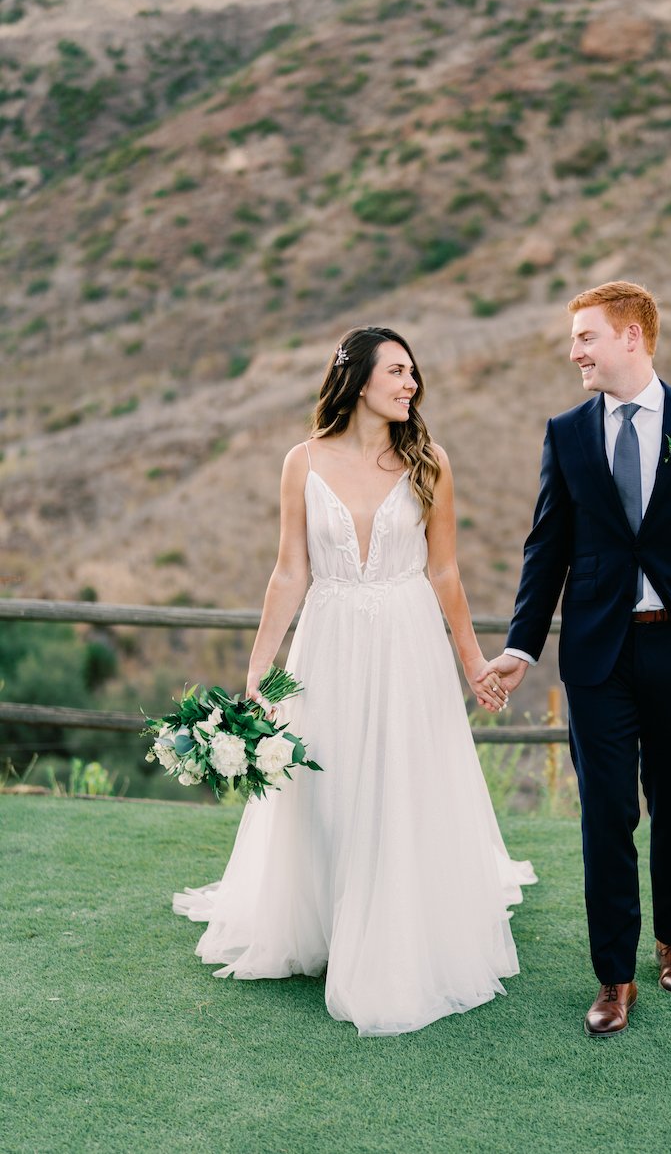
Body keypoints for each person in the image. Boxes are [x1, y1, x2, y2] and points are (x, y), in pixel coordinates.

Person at [174, 325, 536, 1036]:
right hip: (330, 638)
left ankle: (399, 926)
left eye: (413, 373)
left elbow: (445, 572)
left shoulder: (429, 461)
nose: (411, 384)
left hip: (407, 643)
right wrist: (259, 664)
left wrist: (473, 664)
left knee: (403, 780)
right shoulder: (301, 462)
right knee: (329, 784)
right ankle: (331, 919)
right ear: (359, 379)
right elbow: (290, 570)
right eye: (397, 371)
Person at [477, 282, 671, 1036]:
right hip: (596, 655)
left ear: (632, 335)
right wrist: (520, 644)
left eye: (586, 336)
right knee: (606, 814)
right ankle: (613, 977)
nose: (574, 351)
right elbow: (547, 548)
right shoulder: (566, 433)